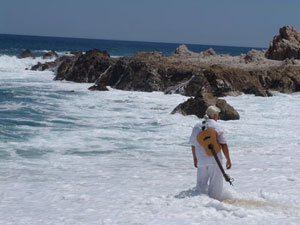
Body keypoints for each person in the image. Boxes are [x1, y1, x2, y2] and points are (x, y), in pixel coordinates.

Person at [189, 105, 231, 200]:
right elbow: (223, 145)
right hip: (215, 161)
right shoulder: (217, 126)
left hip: (201, 160)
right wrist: (228, 160)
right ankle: (213, 208)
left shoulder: (196, 127)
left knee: (200, 186)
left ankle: (198, 205)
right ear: (215, 115)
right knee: (215, 188)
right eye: (218, 114)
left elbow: (193, 144)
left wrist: (195, 159)